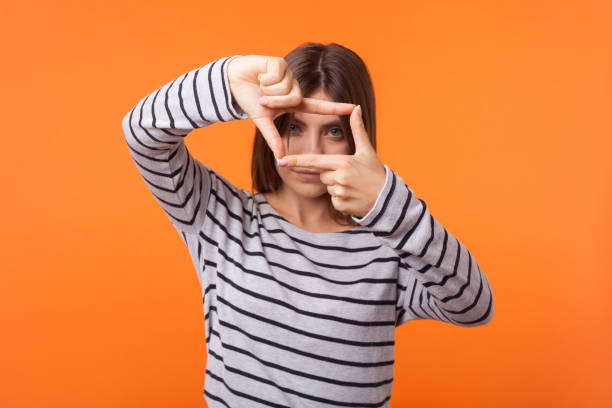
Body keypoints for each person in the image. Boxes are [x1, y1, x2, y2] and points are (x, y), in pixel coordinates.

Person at [121, 42, 494, 408]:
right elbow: (142, 134)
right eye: (294, 126)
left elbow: (474, 306)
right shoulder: (220, 217)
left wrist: (388, 203)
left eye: (333, 132)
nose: (309, 152)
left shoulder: (389, 246)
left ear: (356, 138)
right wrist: (228, 84)